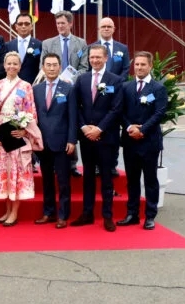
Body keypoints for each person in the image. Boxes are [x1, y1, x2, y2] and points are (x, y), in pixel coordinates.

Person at [70, 44, 124, 232]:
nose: (94, 60)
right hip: (86, 137)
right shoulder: (82, 79)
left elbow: (116, 109)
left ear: (106, 58)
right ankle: (87, 213)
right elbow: (76, 106)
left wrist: (99, 128)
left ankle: (107, 215)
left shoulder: (115, 81)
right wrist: (85, 128)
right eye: (92, 57)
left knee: (107, 177)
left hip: (106, 137)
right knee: (88, 178)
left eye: (98, 57)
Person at [0, 52, 43, 226]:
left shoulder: (25, 86)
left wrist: (24, 131)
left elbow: (31, 112)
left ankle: (14, 212)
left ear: (20, 66)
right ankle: (7, 210)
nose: (11, 67)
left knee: (15, 173)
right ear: (4, 65)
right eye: (8, 63)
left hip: (16, 133)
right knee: (4, 172)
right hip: (0, 135)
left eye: (15, 64)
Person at [117, 51, 167, 231]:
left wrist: (142, 130)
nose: (139, 67)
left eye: (143, 64)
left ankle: (150, 216)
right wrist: (131, 128)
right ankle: (132, 213)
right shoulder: (126, 87)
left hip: (149, 142)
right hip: (130, 141)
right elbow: (120, 111)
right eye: (137, 64)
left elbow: (159, 113)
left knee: (150, 180)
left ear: (150, 66)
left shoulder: (158, 88)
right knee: (132, 180)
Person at [41, 10, 89, 177]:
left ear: (70, 23)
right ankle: (50, 161)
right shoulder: (47, 43)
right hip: (52, 87)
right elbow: (44, 65)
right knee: (53, 121)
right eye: (58, 23)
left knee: (71, 121)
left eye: (63, 23)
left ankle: (73, 164)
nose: (60, 26)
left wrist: (71, 79)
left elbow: (84, 67)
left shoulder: (81, 43)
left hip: (73, 88)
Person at [32, 53, 78, 228]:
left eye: (54, 65)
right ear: (43, 67)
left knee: (63, 182)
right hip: (43, 143)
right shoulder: (35, 89)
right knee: (47, 180)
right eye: (48, 65)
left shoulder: (69, 89)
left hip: (62, 142)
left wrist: (72, 140)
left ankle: (63, 215)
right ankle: (48, 212)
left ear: (60, 67)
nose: (51, 68)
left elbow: (73, 117)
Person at [93, 17, 130, 178]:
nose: (106, 29)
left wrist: (112, 86)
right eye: (103, 26)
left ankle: (112, 164)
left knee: (113, 131)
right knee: (96, 129)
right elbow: (89, 69)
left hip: (116, 96)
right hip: (96, 97)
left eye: (109, 26)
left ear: (114, 29)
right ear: (99, 29)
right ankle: (95, 165)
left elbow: (126, 70)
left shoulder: (123, 48)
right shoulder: (92, 48)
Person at [4, 13, 42, 85]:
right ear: (16, 26)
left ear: (31, 26)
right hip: (11, 85)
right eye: (20, 24)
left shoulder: (39, 45)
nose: (23, 26)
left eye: (27, 24)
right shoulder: (8, 45)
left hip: (32, 85)